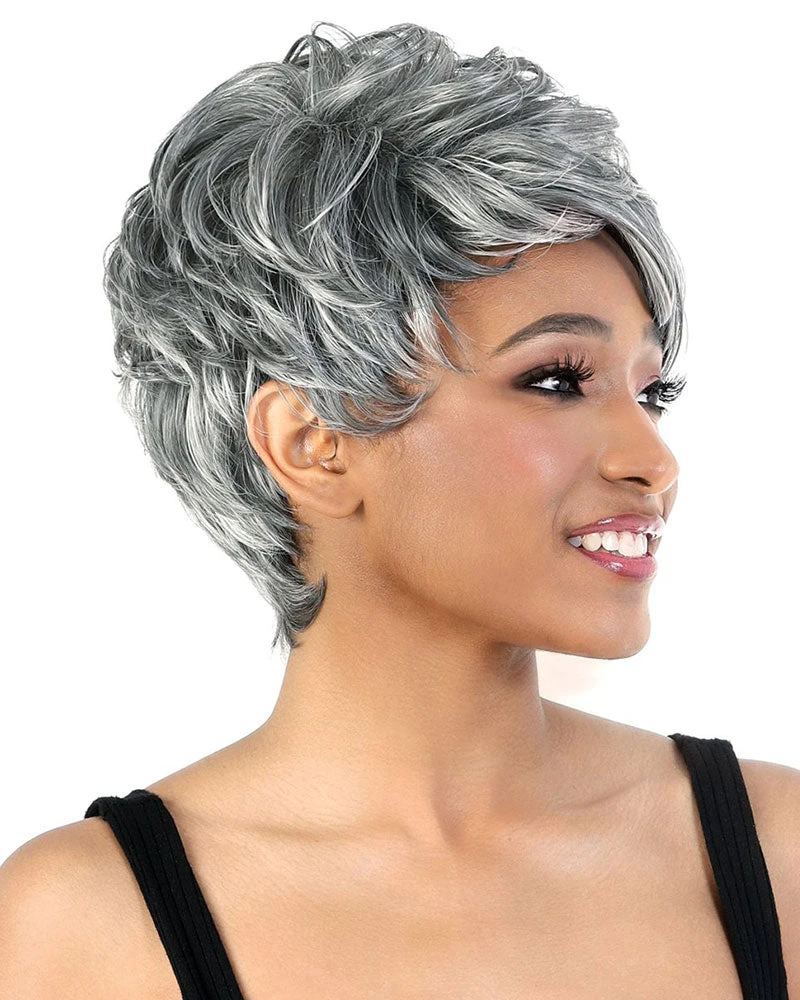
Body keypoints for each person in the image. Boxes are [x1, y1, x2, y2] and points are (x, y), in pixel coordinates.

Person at [1, 20, 797, 1000]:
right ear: (311, 441)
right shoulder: (89, 926)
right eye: (556, 379)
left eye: (650, 390)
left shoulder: (780, 857)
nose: (653, 461)